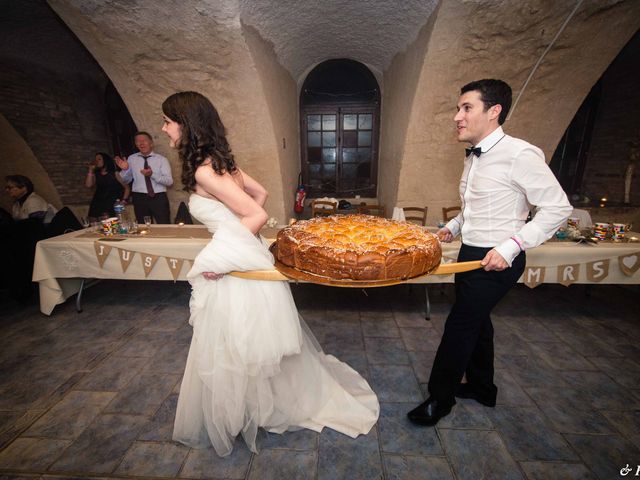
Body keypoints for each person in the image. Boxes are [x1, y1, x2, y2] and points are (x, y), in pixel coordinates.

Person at [161, 91, 379, 457]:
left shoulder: (203, 169)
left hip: (236, 263)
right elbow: (258, 195)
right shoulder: (221, 162)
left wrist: (222, 255)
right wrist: (236, 240)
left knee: (237, 342)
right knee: (247, 342)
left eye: (168, 121)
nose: (164, 128)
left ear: (185, 124)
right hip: (246, 256)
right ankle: (251, 408)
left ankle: (246, 412)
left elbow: (257, 215)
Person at [407, 79, 572, 426]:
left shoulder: (520, 154)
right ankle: (483, 388)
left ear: (494, 111)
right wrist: (452, 227)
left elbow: (558, 208)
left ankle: (440, 399)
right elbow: (476, 209)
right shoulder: (474, 156)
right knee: (478, 324)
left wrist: (512, 246)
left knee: (460, 326)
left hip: (500, 259)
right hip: (471, 251)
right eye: (458, 108)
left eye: (466, 108)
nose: (457, 116)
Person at [115, 131, 173, 223]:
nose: (141, 143)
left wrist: (152, 175)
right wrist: (125, 169)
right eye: (138, 141)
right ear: (136, 144)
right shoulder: (131, 159)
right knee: (144, 227)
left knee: (164, 223)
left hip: (158, 198)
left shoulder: (161, 160)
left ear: (151, 143)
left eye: (144, 140)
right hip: (139, 198)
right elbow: (126, 181)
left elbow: (169, 182)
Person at [85, 152, 128, 218]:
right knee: (95, 223)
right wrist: (90, 170)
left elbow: (127, 188)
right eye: (96, 160)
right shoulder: (96, 174)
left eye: (99, 159)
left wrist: (124, 200)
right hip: (97, 202)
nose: (96, 161)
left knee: (111, 223)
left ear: (105, 160)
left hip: (111, 202)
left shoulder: (115, 173)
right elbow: (88, 185)